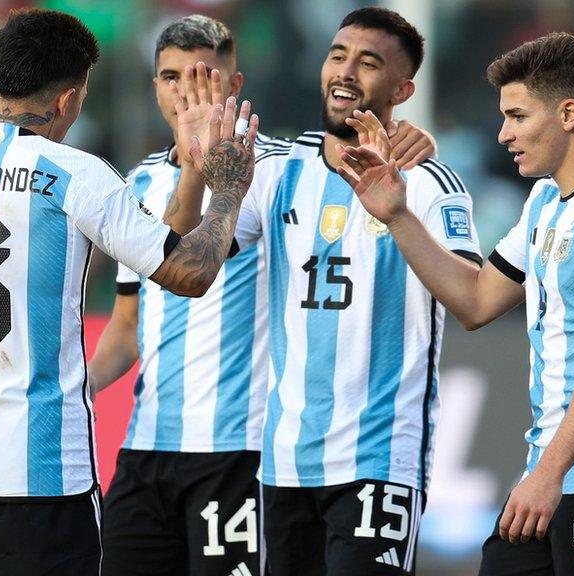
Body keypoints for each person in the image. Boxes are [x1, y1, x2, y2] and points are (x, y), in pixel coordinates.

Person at [0, 9, 259, 575]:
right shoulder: (79, 176)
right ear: (68, 99)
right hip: (42, 471)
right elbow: (191, 274)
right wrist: (230, 188)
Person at [90, 15, 437, 576]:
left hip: (242, 446)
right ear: (154, 85)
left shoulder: (266, 170)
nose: (186, 92)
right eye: (171, 77)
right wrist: (77, 387)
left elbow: (337, 154)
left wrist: (408, 134)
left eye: (201, 77)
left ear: (234, 86)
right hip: (147, 440)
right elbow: (133, 315)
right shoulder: (138, 182)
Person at [336, 32, 574, 576]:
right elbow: (476, 300)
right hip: (550, 473)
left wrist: (548, 475)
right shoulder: (546, 200)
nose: (504, 134)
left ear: (568, 113)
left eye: (517, 116)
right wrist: (398, 216)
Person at [166, 8, 478, 575]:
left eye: (368, 62)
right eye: (338, 55)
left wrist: (400, 215)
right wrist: (193, 167)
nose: (346, 72)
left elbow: (471, 303)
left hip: (378, 457)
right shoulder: (277, 171)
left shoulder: (429, 181)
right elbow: (189, 268)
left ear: (405, 89)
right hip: (284, 463)